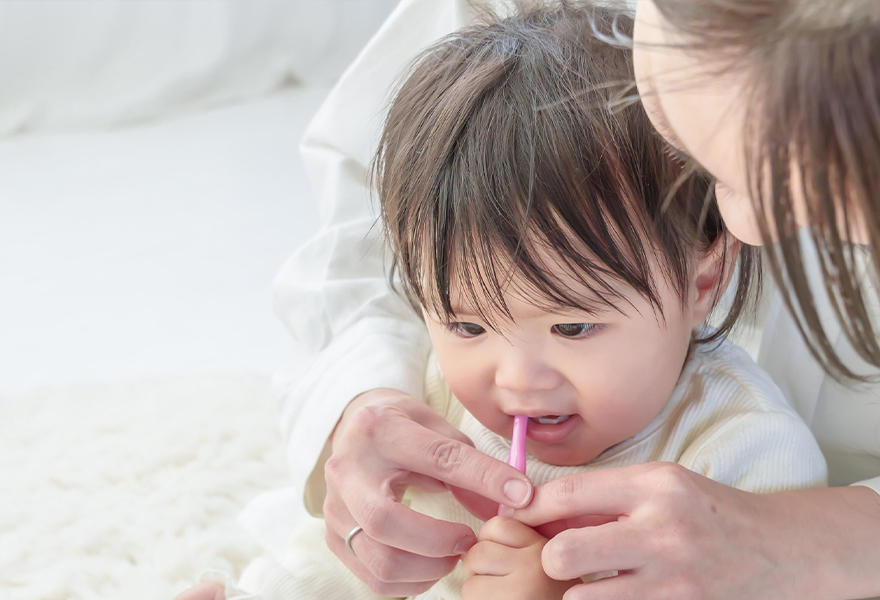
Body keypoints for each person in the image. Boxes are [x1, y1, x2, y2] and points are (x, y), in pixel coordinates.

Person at [208, 0, 880, 599]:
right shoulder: (455, 392)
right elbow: (386, 190)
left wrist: (833, 543)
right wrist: (356, 395)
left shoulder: (742, 444)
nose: (740, 228)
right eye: (704, 151)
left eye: (845, 195)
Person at [176, 5, 825, 599]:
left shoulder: (747, 453)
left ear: (702, 280)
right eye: (464, 323)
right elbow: (337, 557)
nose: (514, 378)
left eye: (572, 325)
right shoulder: (433, 400)